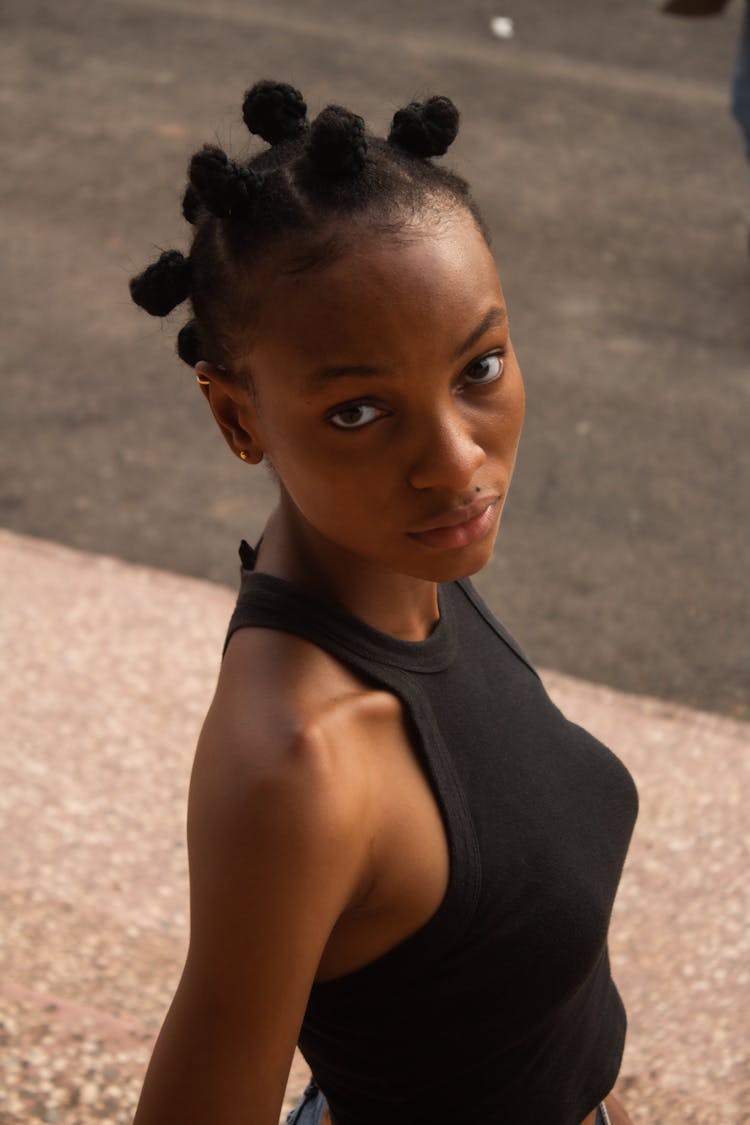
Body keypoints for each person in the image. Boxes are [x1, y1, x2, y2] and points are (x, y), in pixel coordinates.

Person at [128, 79, 639, 1125]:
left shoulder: (407, 571)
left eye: (480, 366)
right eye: (359, 411)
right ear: (237, 415)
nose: (456, 464)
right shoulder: (300, 770)